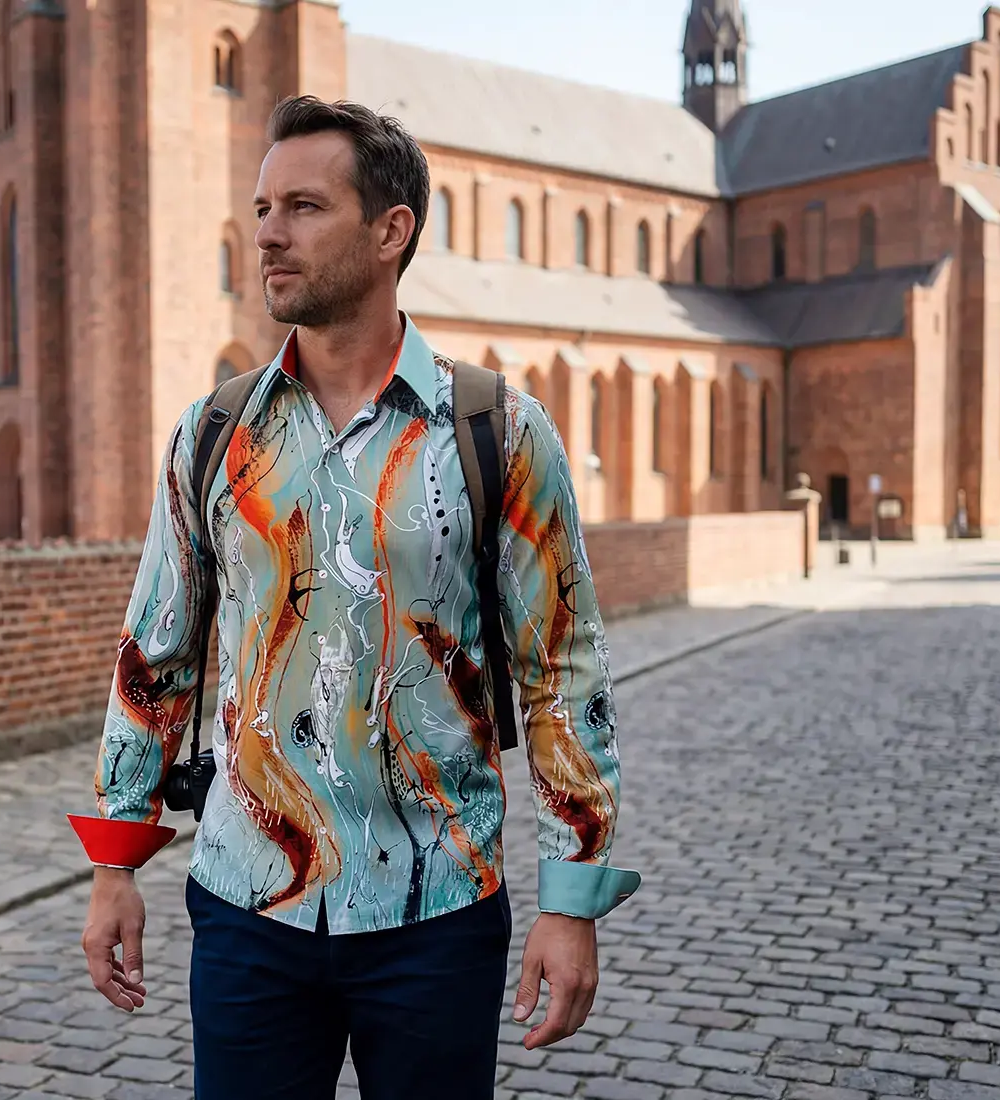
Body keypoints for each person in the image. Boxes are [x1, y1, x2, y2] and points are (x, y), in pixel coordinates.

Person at [69, 96, 639, 1100]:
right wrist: (116, 856)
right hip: (248, 906)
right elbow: (155, 649)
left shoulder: (495, 430)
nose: (266, 234)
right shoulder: (212, 433)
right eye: (259, 208)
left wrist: (571, 895)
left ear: (390, 231)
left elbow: (562, 669)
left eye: (301, 206)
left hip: (438, 908)